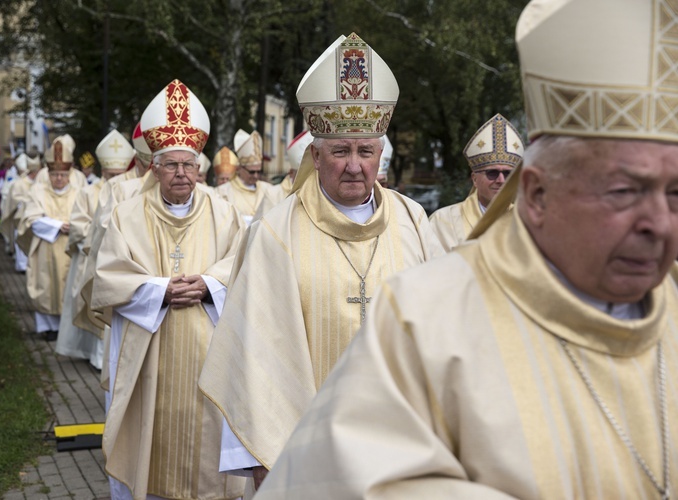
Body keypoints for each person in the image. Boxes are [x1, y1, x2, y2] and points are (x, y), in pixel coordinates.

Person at [255, 1, 678, 498]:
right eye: (624, 191)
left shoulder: (409, 217)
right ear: (537, 194)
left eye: (675, 193)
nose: (658, 223)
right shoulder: (424, 319)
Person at [198, 32, 433, 495]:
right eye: (340, 151)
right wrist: (265, 453)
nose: (353, 166)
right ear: (316, 154)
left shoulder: (412, 221)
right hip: (305, 448)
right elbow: (255, 350)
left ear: (380, 156)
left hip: (402, 441)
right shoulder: (276, 231)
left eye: (365, 152)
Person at [92, 79, 245, 500]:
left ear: (201, 167)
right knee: (152, 448)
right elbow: (108, 277)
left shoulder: (226, 214)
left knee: (207, 446)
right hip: (150, 357)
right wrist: (160, 291)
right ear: (153, 167)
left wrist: (210, 283)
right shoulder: (126, 216)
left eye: (189, 165)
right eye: (172, 165)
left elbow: (244, 268)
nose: (182, 173)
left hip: (210, 355)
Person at [55, 129, 132, 369]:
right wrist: (100, 237)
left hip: (118, 261)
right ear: (102, 171)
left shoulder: (129, 191)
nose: (114, 179)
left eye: (119, 174)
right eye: (110, 174)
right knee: (91, 303)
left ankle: (108, 358)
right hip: (91, 257)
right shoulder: (88, 192)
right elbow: (78, 226)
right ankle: (91, 353)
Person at [428, 113, 524, 255]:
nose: (501, 180)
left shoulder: (526, 222)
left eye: (508, 174)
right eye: (492, 173)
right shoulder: (443, 221)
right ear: (474, 179)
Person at [17, 140, 80, 341]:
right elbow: (30, 220)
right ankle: (47, 328)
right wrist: (57, 226)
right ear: (48, 174)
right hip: (45, 247)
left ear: (69, 175)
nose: (59, 178)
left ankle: (67, 329)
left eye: (62, 175)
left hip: (71, 248)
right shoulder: (38, 191)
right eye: (54, 175)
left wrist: (75, 227)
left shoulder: (79, 193)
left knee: (68, 286)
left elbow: (88, 219)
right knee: (45, 285)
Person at [215, 129, 274, 225]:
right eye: (252, 172)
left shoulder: (268, 190)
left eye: (259, 171)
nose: (256, 176)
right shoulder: (223, 192)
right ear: (239, 168)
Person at [253, 130, 313, 220]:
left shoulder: (319, 194)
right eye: (302, 173)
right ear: (291, 172)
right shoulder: (273, 195)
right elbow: (262, 230)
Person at [0, 154, 41, 272]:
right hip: (20, 217)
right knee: (20, 239)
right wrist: (26, 202)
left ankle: (32, 266)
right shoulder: (19, 183)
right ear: (33, 172)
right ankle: (21, 265)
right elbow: (14, 198)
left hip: (35, 219)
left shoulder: (40, 184)